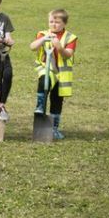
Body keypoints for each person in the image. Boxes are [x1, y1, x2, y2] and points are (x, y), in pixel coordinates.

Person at [29, 9, 77, 140]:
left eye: (57, 22)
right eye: (51, 22)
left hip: (61, 73)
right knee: (44, 80)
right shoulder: (43, 34)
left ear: (64, 23)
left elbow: (68, 54)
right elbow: (32, 47)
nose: (53, 25)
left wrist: (59, 47)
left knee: (57, 100)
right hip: (46, 68)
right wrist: (43, 39)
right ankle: (40, 105)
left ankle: (54, 128)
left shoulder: (70, 37)